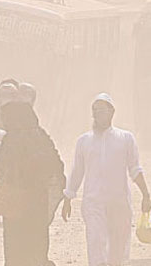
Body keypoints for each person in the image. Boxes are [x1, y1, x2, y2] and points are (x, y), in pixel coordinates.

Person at [62, 93, 151, 266]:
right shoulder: (84, 141)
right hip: (93, 203)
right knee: (96, 243)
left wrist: (146, 194)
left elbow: (134, 169)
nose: (97, 114)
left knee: (117, 251)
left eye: (101, 110)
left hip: (119, 204)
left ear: (112, 112)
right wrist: (68, 197)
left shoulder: (125, 138)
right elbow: (77, 171)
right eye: (94, 111)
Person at [0, 101, 65, 266]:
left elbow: (0, 167)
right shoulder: (41, 136)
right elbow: (56, 164)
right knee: (37, 243)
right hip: (37, 200)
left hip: (14, 200)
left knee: (14, 247)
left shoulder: (10, 139)